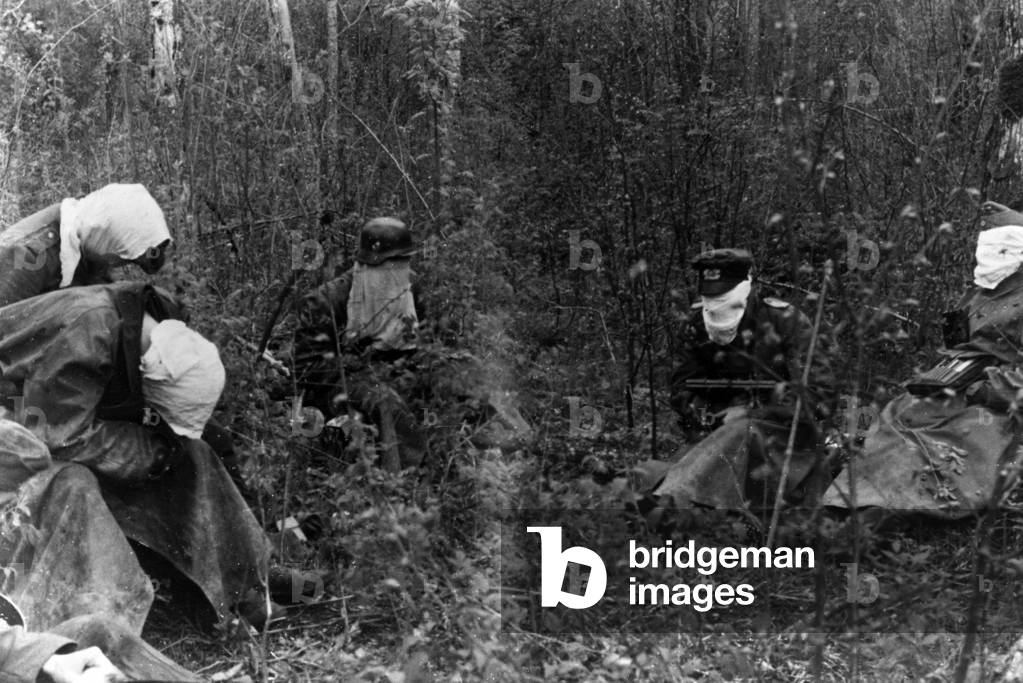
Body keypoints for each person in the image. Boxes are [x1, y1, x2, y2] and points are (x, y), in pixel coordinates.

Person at [0, 282, 311, 633]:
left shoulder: (160, 321)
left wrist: (167, 445)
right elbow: (61, 436)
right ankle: (107, 620)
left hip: (54, 418)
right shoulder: (87, 335)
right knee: (75, 483)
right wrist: (151, 452)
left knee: (193, 452)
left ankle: (248, 581)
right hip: (18, 434)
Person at [823, 203, 1023, 517]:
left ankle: (890, 508)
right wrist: (940, 377)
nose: (989, 255)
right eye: (986, 246)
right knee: (898, 415)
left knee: (952, 439)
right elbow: (956, 345)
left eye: (1001, 248)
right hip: (955, 386)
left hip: (998, 405)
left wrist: (984, 389)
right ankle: (856, 495)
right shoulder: (976, 294)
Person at [653, 248, 824, 509]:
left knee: (734, 442)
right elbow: (682, 385)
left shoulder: (786, 322)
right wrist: (702, 411)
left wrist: (753, 413)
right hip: (717, 433)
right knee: (663, 474)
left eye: (724, 298)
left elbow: (817, 395)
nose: (717, 306)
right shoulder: (697, 323)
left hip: (782, 438)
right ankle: (673, 500)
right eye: (711, 298)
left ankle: (682, 501)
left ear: (747, 288)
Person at [294, 217, 427, 469]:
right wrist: (354, 365)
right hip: (340, 382)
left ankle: (499, 455)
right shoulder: (325, 301)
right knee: (384, 403)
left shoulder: (410, 289)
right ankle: (401, 479)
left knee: (462, 376)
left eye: (403, 262)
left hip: (396, 370)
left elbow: (430, 340)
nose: (399, 271)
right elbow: (305, 369)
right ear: (370, 264)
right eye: (391, 264)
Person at [0, 184, 172, 308]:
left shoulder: (85, 238)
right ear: (105, 239)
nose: (118, 265)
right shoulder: (28, 254)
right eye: (121, 259)